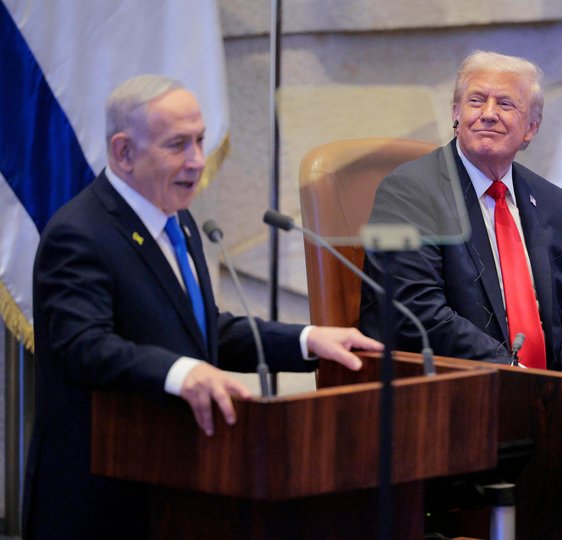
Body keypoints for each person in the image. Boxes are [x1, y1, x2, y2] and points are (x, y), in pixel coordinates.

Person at [22, 75, 383, 539]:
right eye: (177, 145)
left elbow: (203, 331)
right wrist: (181, 373)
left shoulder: (179, 219)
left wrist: (308, 339)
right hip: (101, 498)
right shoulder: (79, 233)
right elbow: (83, 347)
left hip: (177, 486)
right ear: (123, 152)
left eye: (199, 140)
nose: (197, 161)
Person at [359, 50, 562, 374]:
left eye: (505, 104)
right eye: (476, 101)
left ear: (531, 127)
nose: (488, 114)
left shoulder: (551, 200)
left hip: (552, 392)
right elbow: (416, 312)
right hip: (454, 389)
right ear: (456, 115)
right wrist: (514, 371)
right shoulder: (410, 192)